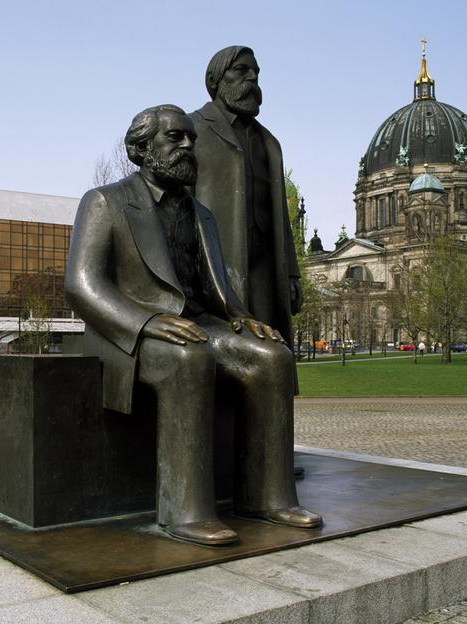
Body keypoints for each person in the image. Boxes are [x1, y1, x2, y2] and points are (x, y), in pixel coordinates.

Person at [65, 105, 321, 546]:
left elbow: (215, 286)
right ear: (143, 150)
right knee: (190, 358)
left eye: (191, 138)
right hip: (127, 334)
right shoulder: (105, 201)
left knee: (272, 358)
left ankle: (268, 497)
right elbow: (82, 285)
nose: (189, 146)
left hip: (197, 326)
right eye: (176, 138)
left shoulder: (202, 214)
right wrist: (147, 322)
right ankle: (184, 511)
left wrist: (242, 318)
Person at [189, 46, 302, 352]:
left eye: (255, 72)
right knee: (221, 355)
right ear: (216, 79)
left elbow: (281, 216)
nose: (251, 77)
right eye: (241, 70)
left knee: (269, 349)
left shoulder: (269, 143)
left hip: (265, 269)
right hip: (214, 266)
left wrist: (291, 272)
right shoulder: (192, 129)